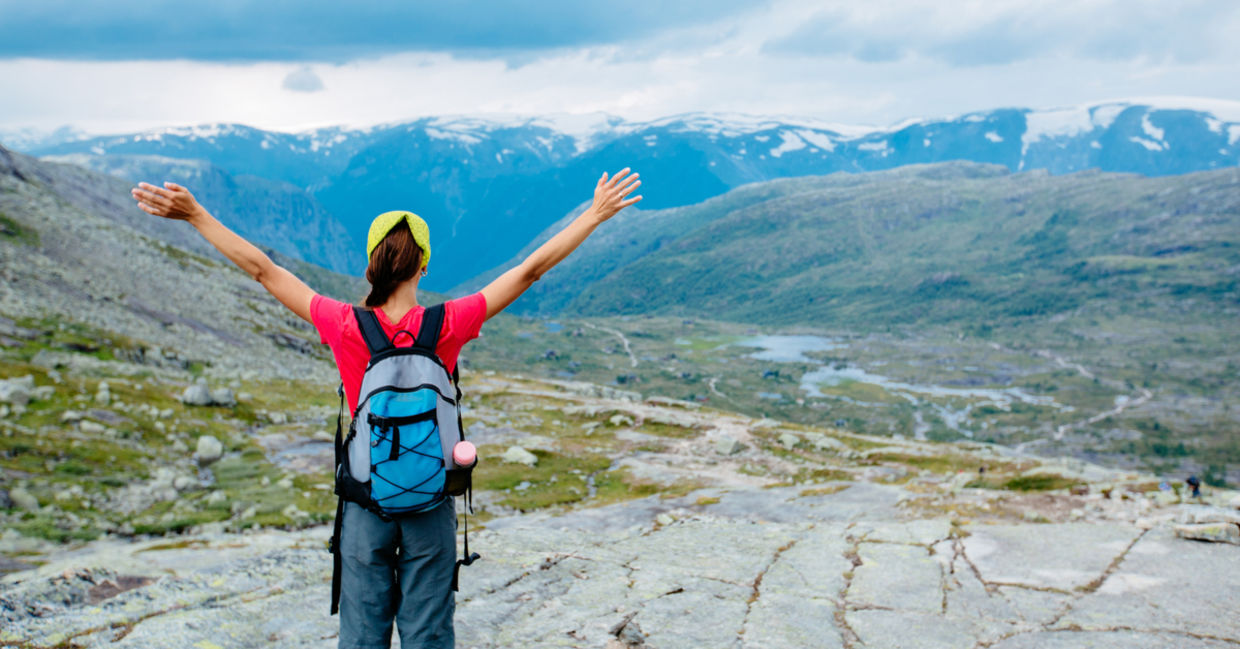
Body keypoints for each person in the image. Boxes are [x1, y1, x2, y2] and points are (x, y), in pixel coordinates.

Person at [130, 168, 641, 648]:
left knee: (362, 633)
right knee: (428, 632)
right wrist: (593, 215)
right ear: (424, 264)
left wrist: (196, 215)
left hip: (364, 502)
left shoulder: (342, 323)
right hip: (430, 500)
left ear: (370, 263)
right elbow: (530, 270)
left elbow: (263, 270)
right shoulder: (449, 323)